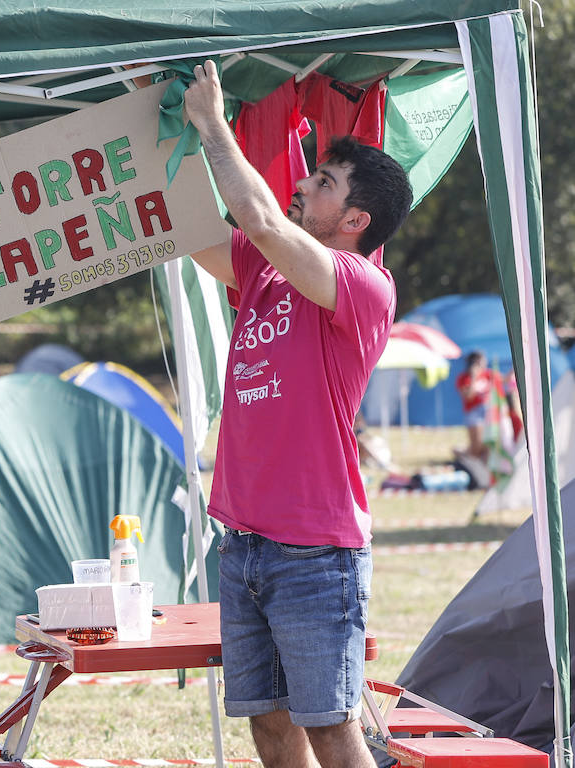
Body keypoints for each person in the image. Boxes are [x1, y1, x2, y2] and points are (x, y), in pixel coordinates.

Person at [184, 62, 412, 768]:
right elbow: (189, 232)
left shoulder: (363, 284)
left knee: (331, 730)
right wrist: (145, 122)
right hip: (245, 539)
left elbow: (257, 216)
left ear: (354, 220)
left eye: (323, 183)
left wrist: (214, 124)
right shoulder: (265, 264)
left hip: (315, 549)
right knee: (270, 728)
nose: (303, 183)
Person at [456, 350, 500, 459]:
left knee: (488, 445)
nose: (484, 365)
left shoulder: (487, 374)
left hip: (487, 411)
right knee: (476, 446)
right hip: (473, 413)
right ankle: (463, 456)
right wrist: (473, 378)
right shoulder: (464, 378)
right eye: (482, 362)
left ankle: (468, 457)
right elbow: (468, 396)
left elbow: (503, 380)